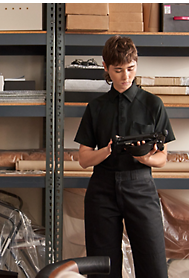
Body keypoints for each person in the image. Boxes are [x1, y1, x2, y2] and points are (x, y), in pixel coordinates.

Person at [73, 35, 175, 278]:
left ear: (136, 64)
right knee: (102, 269)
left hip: (140, 186)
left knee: (153, 266)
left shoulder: (153, 104)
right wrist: (107, 150)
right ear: (106, 68)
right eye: (118, 70)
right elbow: (84, 159)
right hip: (102, 189)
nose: (125, 76)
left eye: (130, 69)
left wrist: (146, 159)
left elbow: (163, 158)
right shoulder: (96, 107)